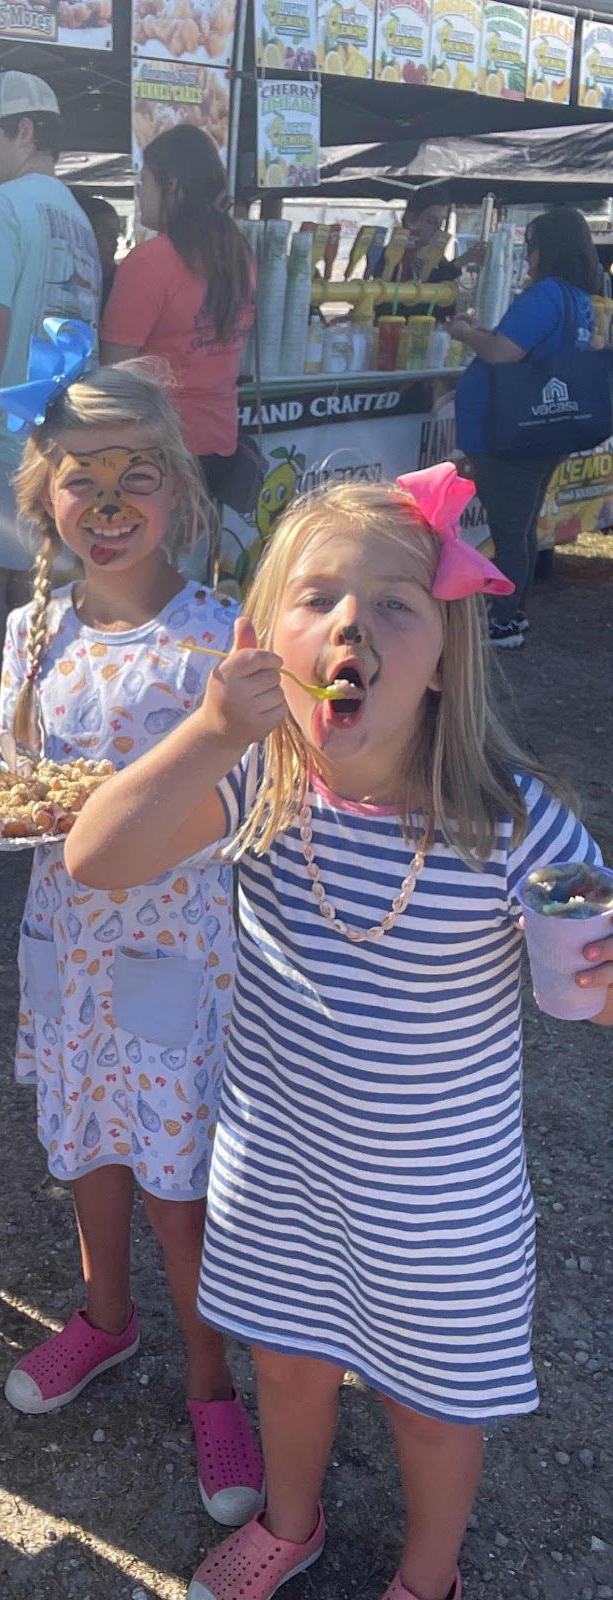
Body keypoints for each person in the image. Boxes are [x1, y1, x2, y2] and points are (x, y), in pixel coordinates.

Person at [64, 464, 613, 1600]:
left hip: (440, 1205)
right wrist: (210, 731)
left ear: (447, 656)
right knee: (289, 1370)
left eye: (395, 604)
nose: (351, 625)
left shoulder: (515, 826)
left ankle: (428, 1576)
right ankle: (291, 1521)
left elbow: (592, 976)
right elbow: (96, 856)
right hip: (280, 1175)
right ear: (269, 641)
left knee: (431, 1412)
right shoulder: (259, 787)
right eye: (317, 599)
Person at [0, 361, 263, 1528]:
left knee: (177, 1185)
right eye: (80, 480)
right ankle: (106, 1317)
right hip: (66, 949)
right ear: (43, 496)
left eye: (134, 478)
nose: (107, 506)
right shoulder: (28, 632)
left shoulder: (220, 641)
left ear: (178, 491)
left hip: (174, 955)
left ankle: (212, 1382)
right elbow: (17, 787)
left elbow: (253, 802)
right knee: (88, 1148)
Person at [0, 71, 101, 697]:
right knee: (36, 592)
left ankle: (3, 715)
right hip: (60, 431)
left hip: (1, 432)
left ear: (25, 131)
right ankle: (39, 718)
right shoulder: (75, 215)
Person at [448, 205, 602, 648]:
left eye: (531, 247)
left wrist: (466, 334)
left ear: (547, 250)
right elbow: (522, 346)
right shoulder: (576, 298)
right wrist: (485, 332)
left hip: (511, 434)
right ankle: (513, 610)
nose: (527, 256)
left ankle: (503, 621)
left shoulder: (546, 294)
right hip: (542, 431)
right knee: (521, 527)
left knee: (510, 531)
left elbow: (502, 353)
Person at [101, 125, 255, 506]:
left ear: (171, 186)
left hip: (160, 449)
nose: (139, 192)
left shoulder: (149, 263)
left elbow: (115, 377)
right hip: (219, 444)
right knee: (197, 543)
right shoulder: (240, 255)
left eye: (144, 181)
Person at [371, 189, 486, 285]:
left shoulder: (438, 259)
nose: (437, 230)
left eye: (440, 223)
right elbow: (422, 285)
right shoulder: (391, 257)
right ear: (410, 218)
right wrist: (460, 262)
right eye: (430, 221)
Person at [73, 189, 121, 311]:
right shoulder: (72, 276)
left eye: (116, 235)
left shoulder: (121, 281)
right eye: (108, 235)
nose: (115, 243)